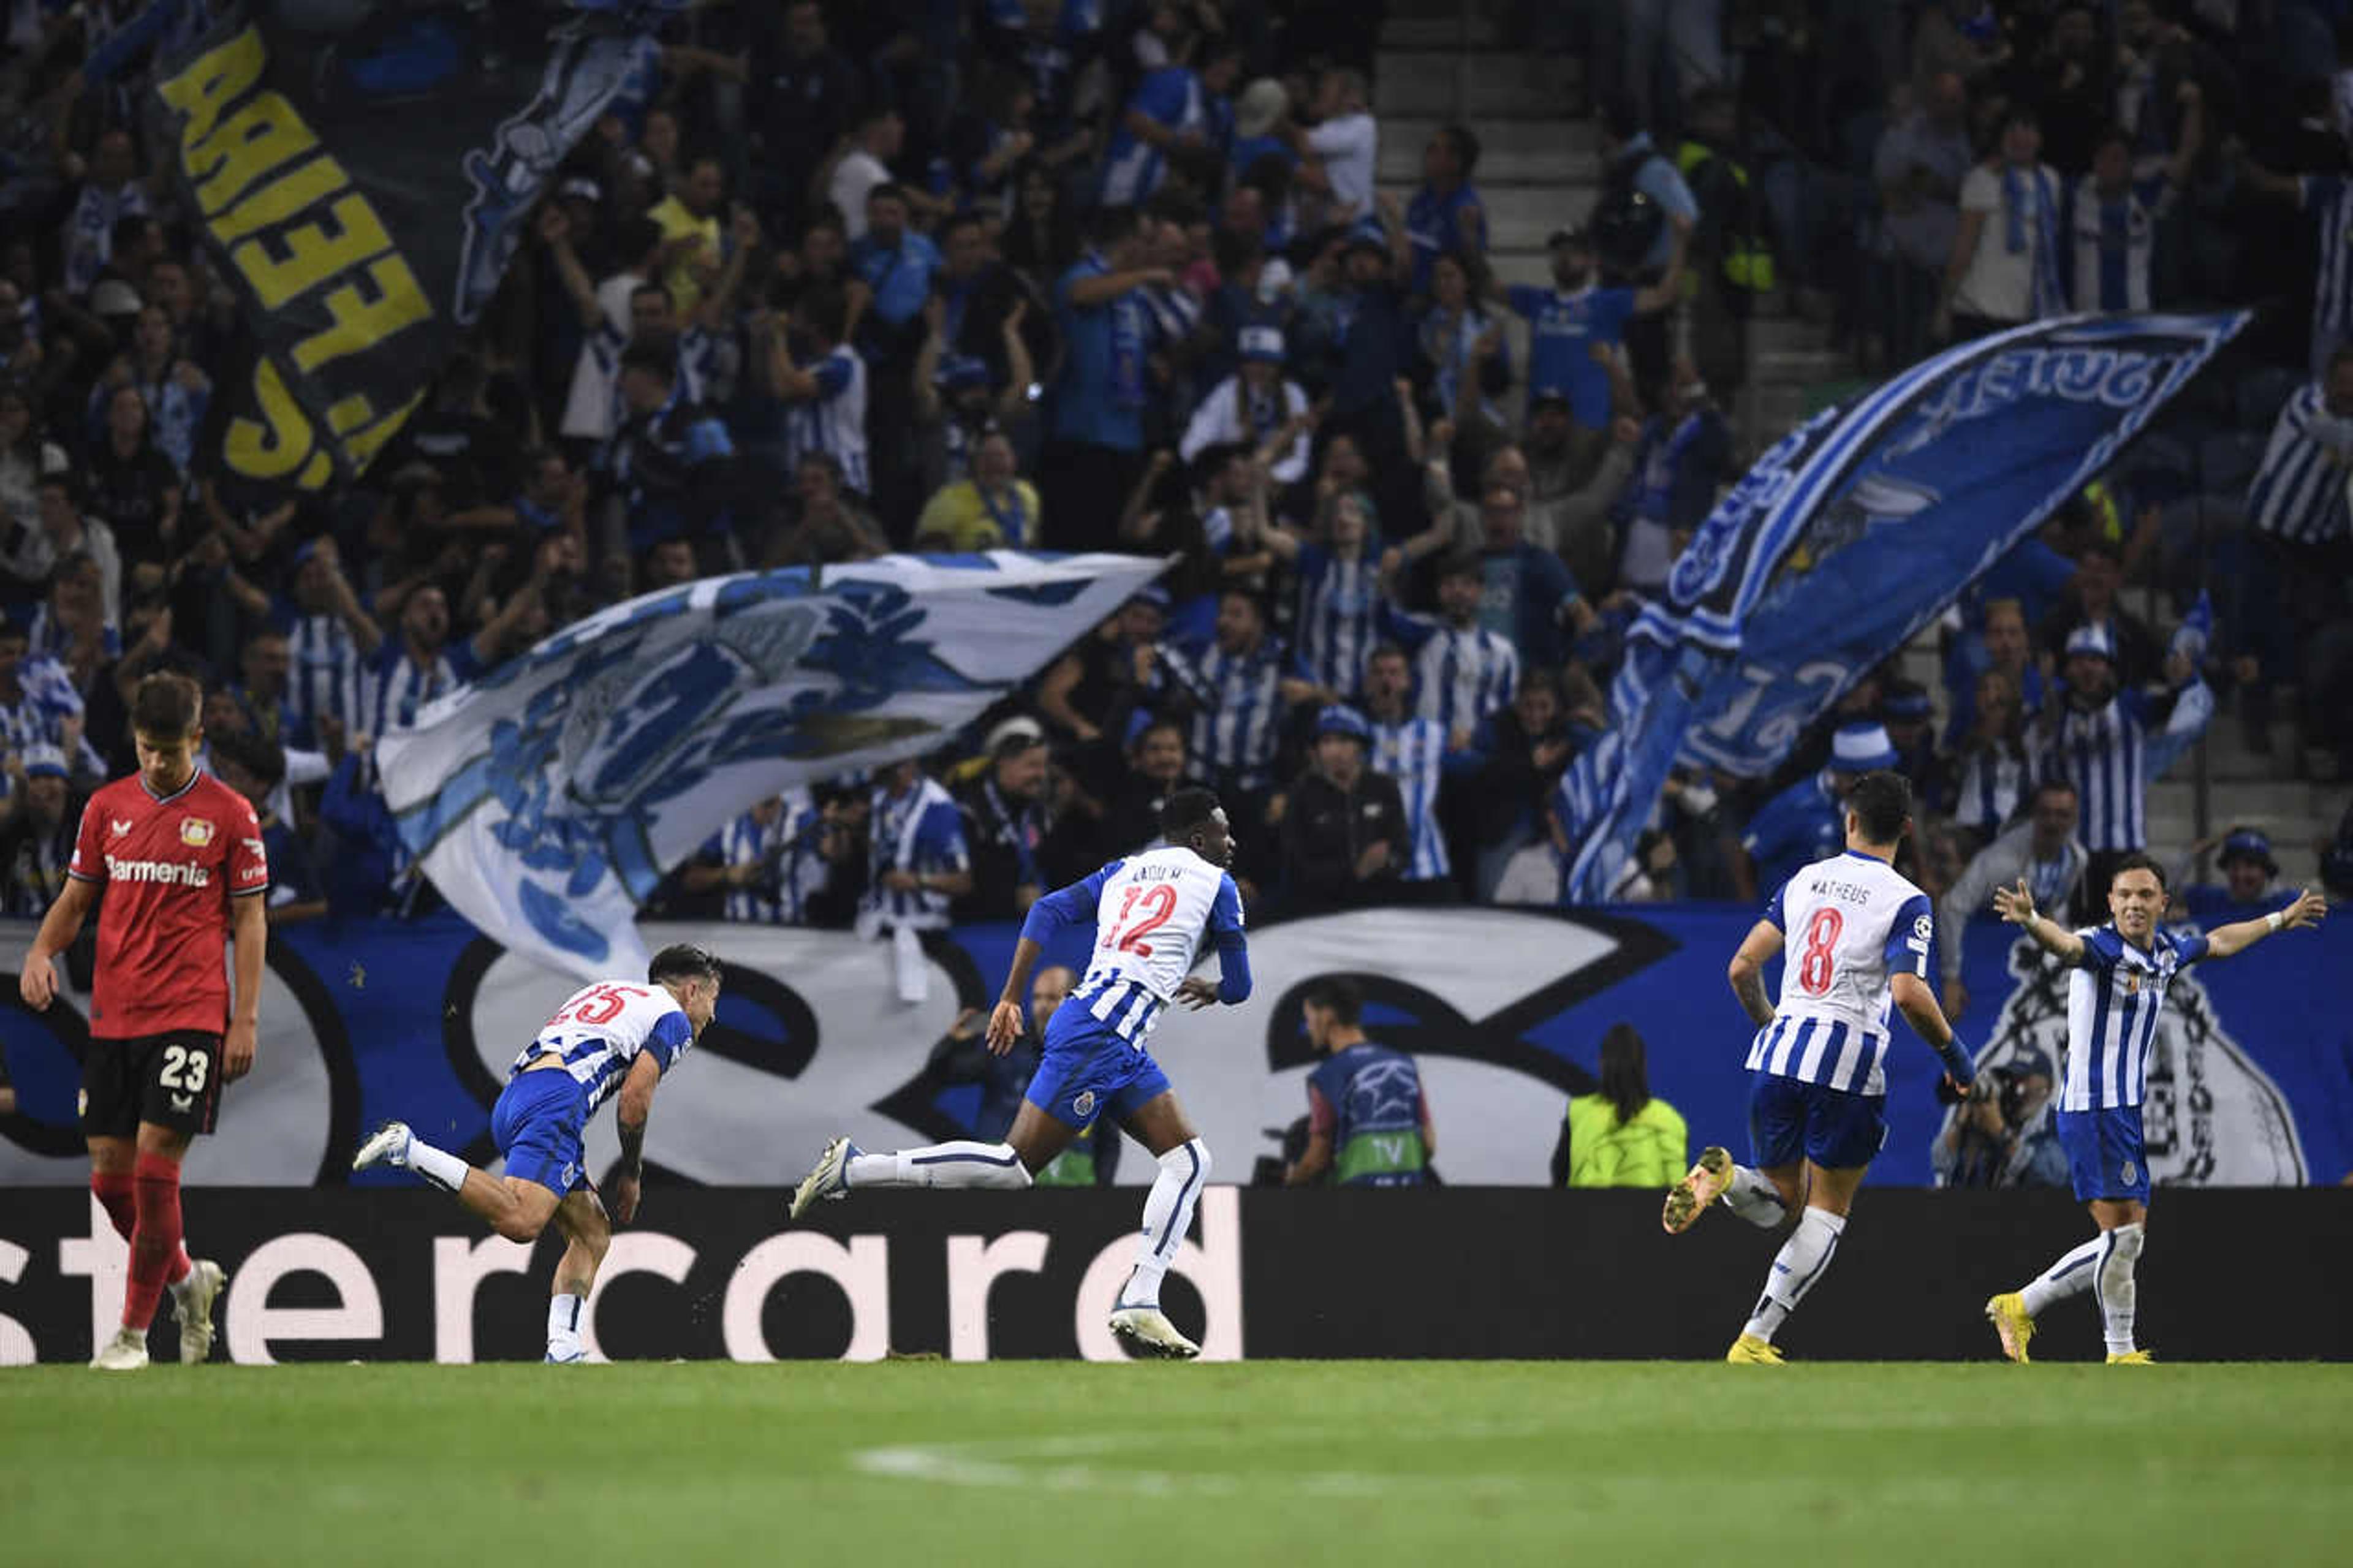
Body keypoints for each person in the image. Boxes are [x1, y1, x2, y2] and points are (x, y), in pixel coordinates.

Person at [791, 788, 1252, 1360]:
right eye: (1225, 831)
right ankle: (856, 1169)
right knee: (1012, 1167)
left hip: (1106, 1030)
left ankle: (1142, 1297)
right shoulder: (1220, 885)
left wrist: (1011, 996)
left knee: (1188, 1159)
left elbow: (1046, 910)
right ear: (1200, 837)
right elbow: (1241, 987)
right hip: (1100, 1037)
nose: (1232, 842)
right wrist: (1211, 984)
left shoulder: (1125, 869)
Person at [1660, 770, 1978, 1363]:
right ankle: (1755, 1338)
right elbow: (1908, 993)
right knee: (1826, 1208)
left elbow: (1740, 968)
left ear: (1849, 821)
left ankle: (1729, 1180)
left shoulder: (1804, 880)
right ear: (1906, 830)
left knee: (1778, 1197)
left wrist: (1772, 1025)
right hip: (1849, 1063)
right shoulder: (1907, 900)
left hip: (1781, 1050)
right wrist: (1956, 1057)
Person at [18, 673, 269, 1369]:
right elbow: (75, 900)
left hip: (190, 1014)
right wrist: (42, 949)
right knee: (108, 1183)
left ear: (197, 739)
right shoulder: (105, 807)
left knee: (159, 1168)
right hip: (115, 1014)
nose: (156, 762)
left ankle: (131, 1338)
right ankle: (190, 1281)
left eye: (169, 750)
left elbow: (250, 920)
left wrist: (242, 1017)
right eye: (145, 749)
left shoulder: (230, 815)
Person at [1982, 861, 2327, 1364]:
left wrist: (2279, 919)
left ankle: (2026, 1306)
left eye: (2145, 894)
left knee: (2127, 1239)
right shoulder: (2099, 946)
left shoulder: (2166, 952)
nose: (2134, 904)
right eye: (2125, 894)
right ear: (2110, 901)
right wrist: (2034, 920)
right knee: (2122, 1238)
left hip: (2125, 1109)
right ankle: (2111, 1347)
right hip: (2093, 1108)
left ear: (2163, 903)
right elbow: (2066, 946)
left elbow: (2221, 941)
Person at [353, 944, 722, 1364]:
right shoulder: (672, 1018)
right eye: (713, 1000)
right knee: (522, 1219)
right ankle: (408, 1149)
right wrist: (632, 1172)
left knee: (592, 1232)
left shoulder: (611, 991)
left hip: (517, 1096)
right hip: (556, 1101)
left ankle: (563, 1351)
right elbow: (634, 1099)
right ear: (692, 990)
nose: (712, 1015)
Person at [1936, 779, 2088, 1023]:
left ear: (2075, 818)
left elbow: (2055, 911)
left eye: (2062, 815)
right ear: (2034, 815)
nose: (2053, 822)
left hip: (2015, 952)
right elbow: (1952, 907)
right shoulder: (2001, 862)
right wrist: (1951, 977)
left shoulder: (2077, 859)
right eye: (2046, 813)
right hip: (1974, 943)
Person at [1284, 977, 1433, 1186]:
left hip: (1356, 1205)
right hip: (1410, 1198)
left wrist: (1292, 1180)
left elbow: (1317, 1159)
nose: (1308, 1029)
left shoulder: (1326, 1076)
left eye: (1309, 1019)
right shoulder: (1405, 1065)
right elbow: (1428, 1144)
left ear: (1327, 1017)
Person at [1279, 705, 1408, 912]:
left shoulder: (1383, 787)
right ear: (1317, 750)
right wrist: (1354, 872)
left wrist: (1386, 863)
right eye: (1327, 742)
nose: (1335, 750)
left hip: (1380, 905)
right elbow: (1296, 864)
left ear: (1361, 747)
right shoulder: (1302, 793)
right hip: (1319, 908)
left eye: (1344, 741)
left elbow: (1401, 851)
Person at [1552, 1022, 1686, 1189]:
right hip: (1648, 1213)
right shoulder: (1668, 1118)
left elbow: (1559, 1177)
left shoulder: (1579, 1112)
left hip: (1588, 1212)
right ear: (1642, 1065)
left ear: (1602, 1063)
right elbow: (1676, 1184)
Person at [1931, 1044, 2066, 1191]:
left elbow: (2053, 1177)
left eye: (2026, 1079)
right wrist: (1962, 1123)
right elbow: (1942, 1164)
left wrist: (2001, 1133)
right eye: (2015, 1079)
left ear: (2048, 1087)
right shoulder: (2002, 1122)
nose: (2018, 1087)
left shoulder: (2060, 1125)